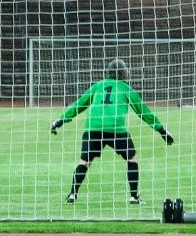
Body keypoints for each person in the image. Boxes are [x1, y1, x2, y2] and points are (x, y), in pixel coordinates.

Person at [51, 58, 173, 204]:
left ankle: (72, 194)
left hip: (93, 128)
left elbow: (79, 104)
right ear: (124, 73)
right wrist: (161, 130)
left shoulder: (98, 86)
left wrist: (61, 120)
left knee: (84, 161)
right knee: (132, 158)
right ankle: (133, 197)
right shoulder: (125, 88)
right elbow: (143, 111)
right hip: (116, 129)